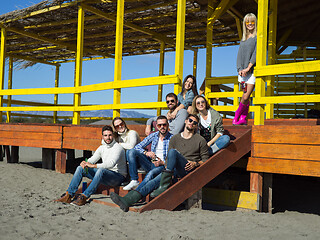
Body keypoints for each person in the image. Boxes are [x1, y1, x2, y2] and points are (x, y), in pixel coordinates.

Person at [110, 114, 209, 212]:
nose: (192, 123)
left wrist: (195, 163)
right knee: (153, 180)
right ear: (185, 121)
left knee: (155, 170)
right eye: (190, 121)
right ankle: (128, 200)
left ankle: (163, 184)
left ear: (197, 125)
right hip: (170, 169)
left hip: (186, 169)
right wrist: (148, 154)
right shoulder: (176, 138)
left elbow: (205, 160)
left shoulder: (199, 140)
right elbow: (168, 159)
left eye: (195, 122)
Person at [54, 125, 127, 206]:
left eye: (110, 135)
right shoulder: (102, 147)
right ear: (102, 136)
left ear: (113, 135)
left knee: (101, 170)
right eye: (105, 135)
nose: (108, 138)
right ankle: (69, 195)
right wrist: (85, 162)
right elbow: (92, 159)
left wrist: (94, 166)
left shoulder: (118, 148)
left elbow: (111, 164)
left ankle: (85, 196)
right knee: (80, 168)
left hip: (118, 177)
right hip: (105, 174)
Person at [122, 116, 173, 191]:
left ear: (168, 125)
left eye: (164, 125)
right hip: (152, 161)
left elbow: (175, 157)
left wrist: (162, 162)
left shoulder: (172, 138)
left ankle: (135, 193)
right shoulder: (154, 135)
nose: (162, 127)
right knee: (131, 152)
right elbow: (137, 147)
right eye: (159, 125)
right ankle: (134, 180)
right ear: (156, 126)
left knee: (150, 174)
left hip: (163, 165)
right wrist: (146, 153)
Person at [233, 13, 257, 125]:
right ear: (245, 24)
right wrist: (239, 69)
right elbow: (239, 55)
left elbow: (255, 54)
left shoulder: (257, 37)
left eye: (252, 21)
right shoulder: (243, 39)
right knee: (245, 96)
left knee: (246, 95)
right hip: (242, 72)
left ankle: (236, 114)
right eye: (248, 22)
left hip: (251, 71)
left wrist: (248, 67)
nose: (250, 24)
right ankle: (242, 118)